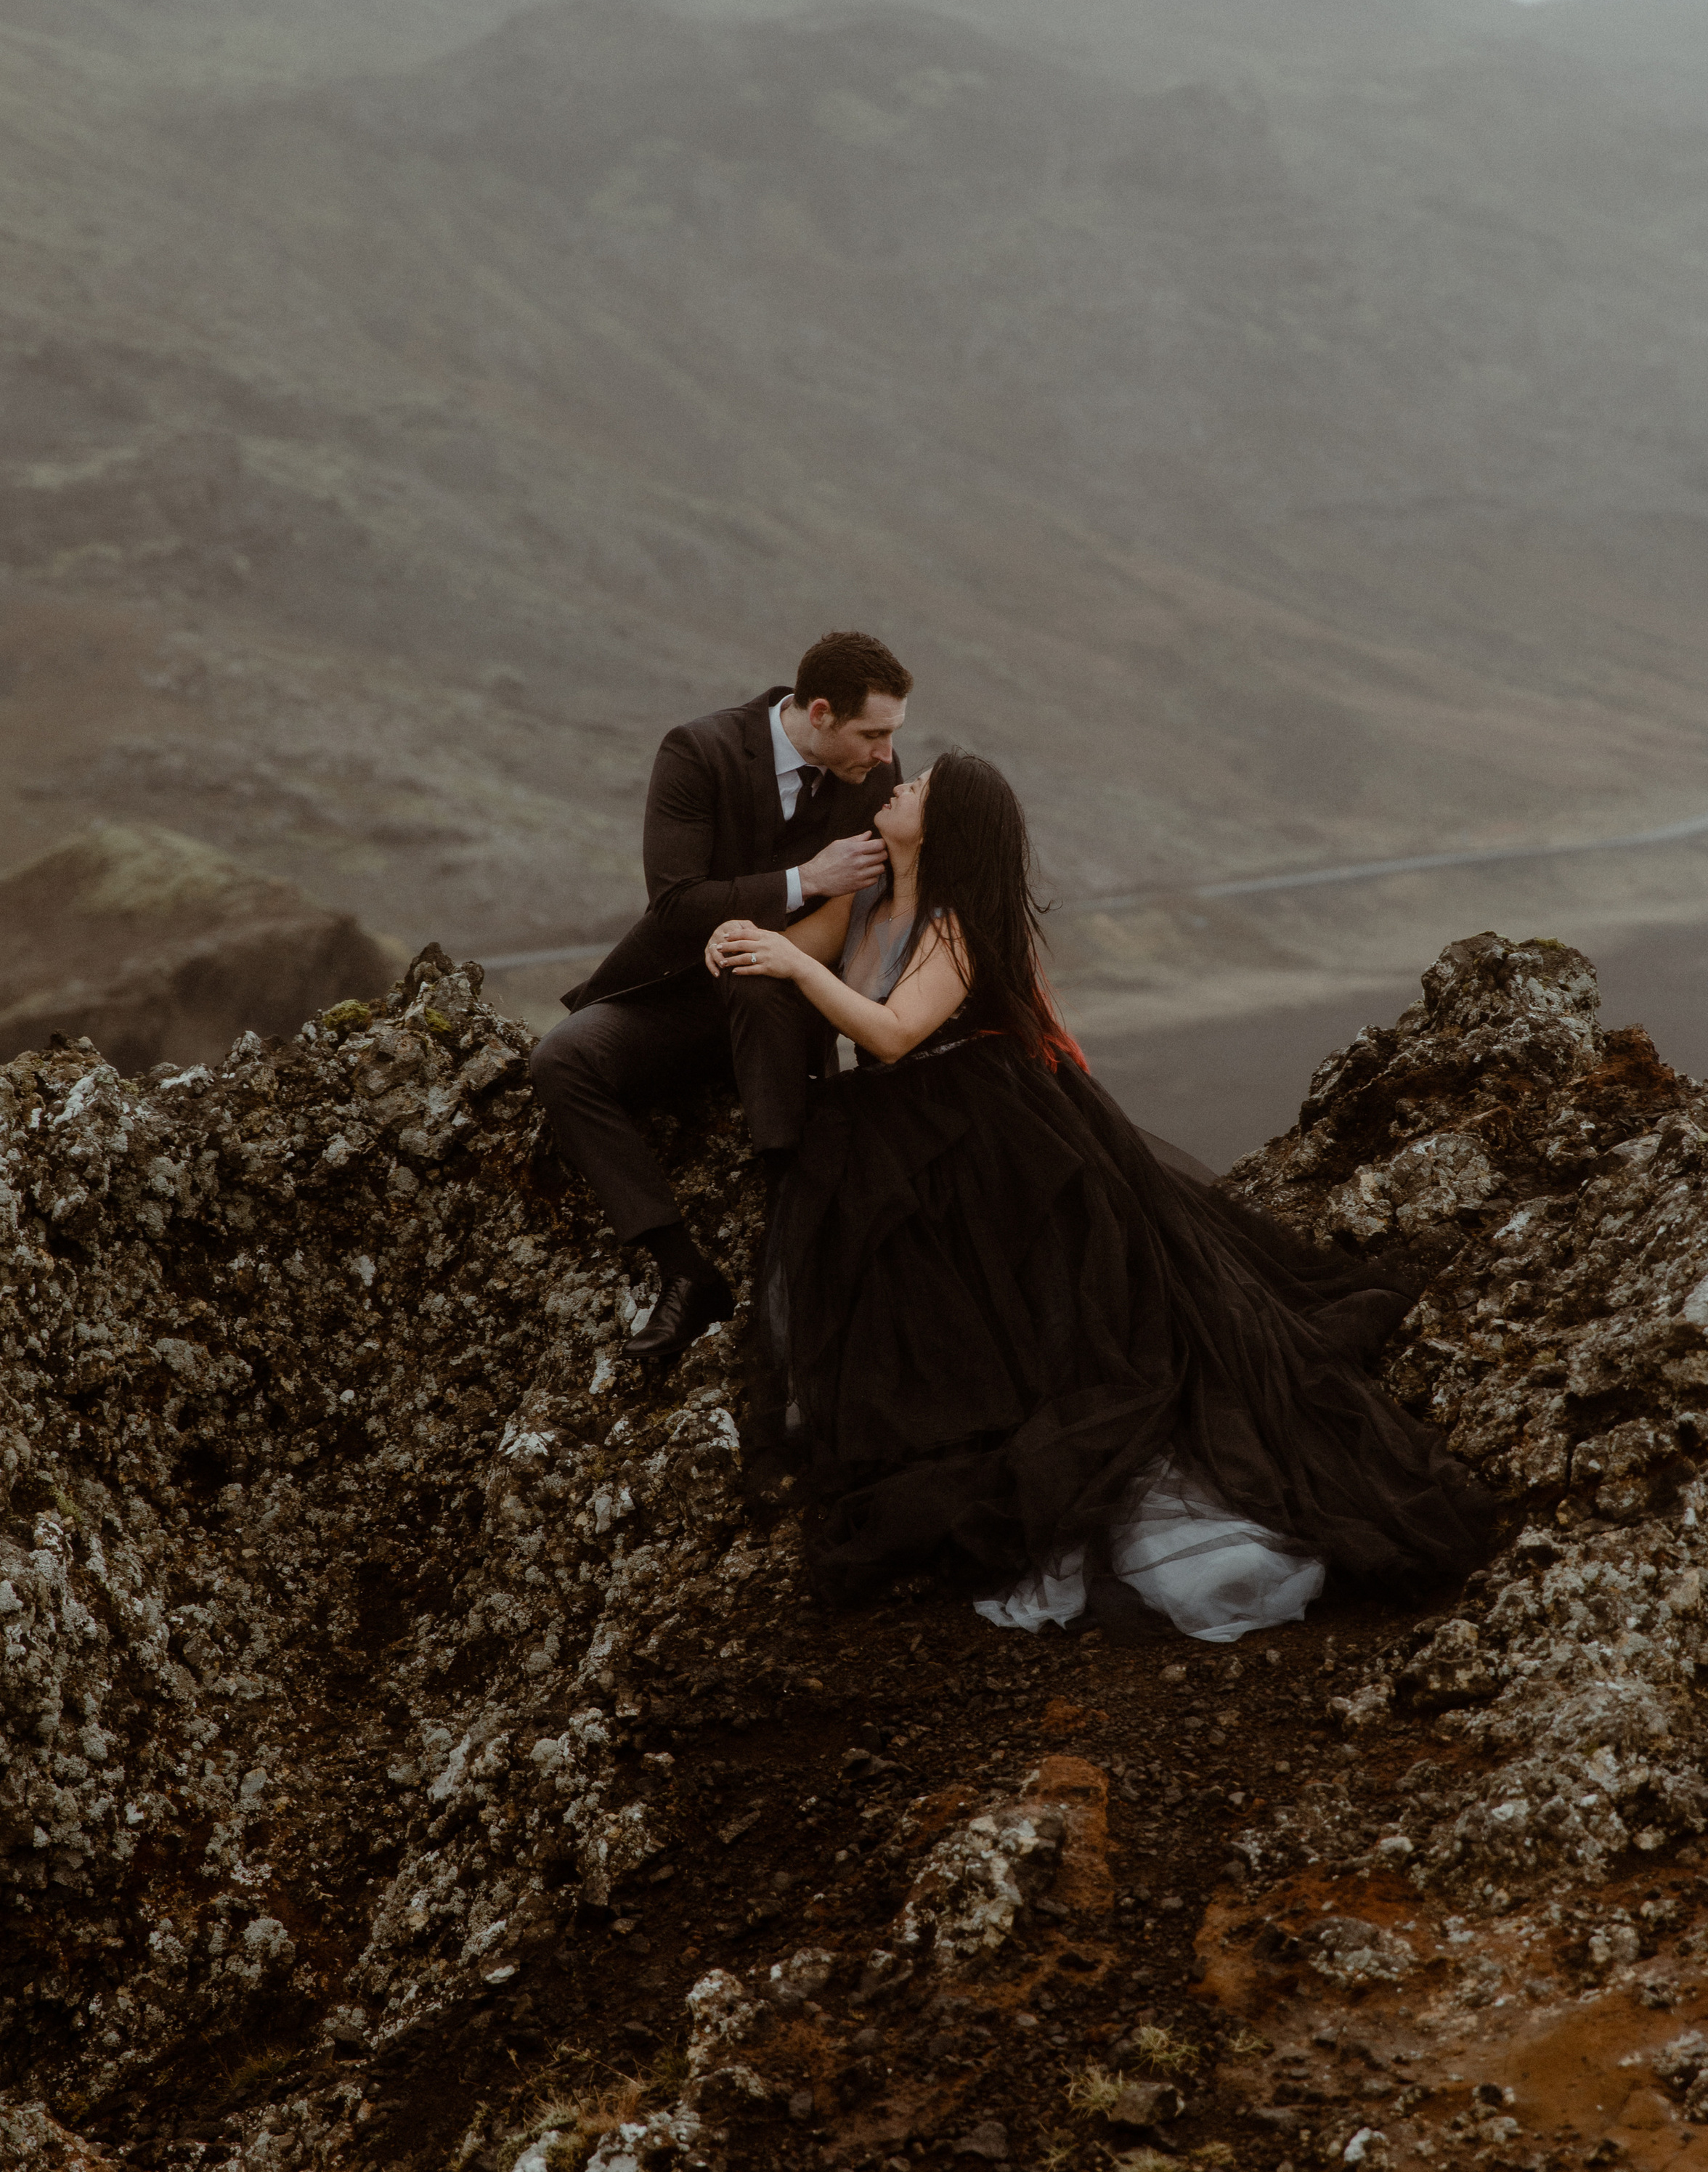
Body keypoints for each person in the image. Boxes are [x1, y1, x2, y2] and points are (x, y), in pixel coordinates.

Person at [707, 750, 1495, 1642]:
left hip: (988, 1128)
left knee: (1061, 1327)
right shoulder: (866, 897)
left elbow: (892, 1032)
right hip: (912, 1130)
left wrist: (790, 963)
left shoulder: (959, 922)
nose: (899, 787)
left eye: (918, 787)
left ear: (945, 824)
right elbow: (781, 950)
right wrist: (739, 940)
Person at [530, 630, 911, 1363]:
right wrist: (808, 880)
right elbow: (673, 902)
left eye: (893, 735)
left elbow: (889, 900)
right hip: (673, 996)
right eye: (874, 734)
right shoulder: (697, 751)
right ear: (821, 713)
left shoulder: (878, 777)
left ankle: (789, 1245)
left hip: (789, 1000)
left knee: (758, 982)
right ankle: (682, 1270)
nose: (888, 755)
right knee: (562, 1059)